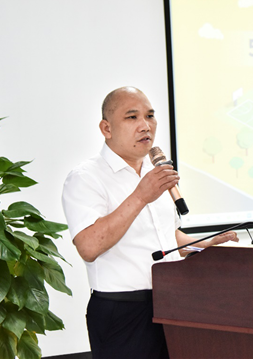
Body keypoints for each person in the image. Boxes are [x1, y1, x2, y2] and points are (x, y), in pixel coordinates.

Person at [62, 86, 238, 359]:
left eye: (150, 116)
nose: (145, 125)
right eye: (132, 117)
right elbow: (88, 246)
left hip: (173, 302)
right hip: (122, 312)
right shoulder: (86, 177)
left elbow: (167, 237)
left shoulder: (154, 172)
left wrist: (206, 244)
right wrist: (140, 196)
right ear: (106, 128)